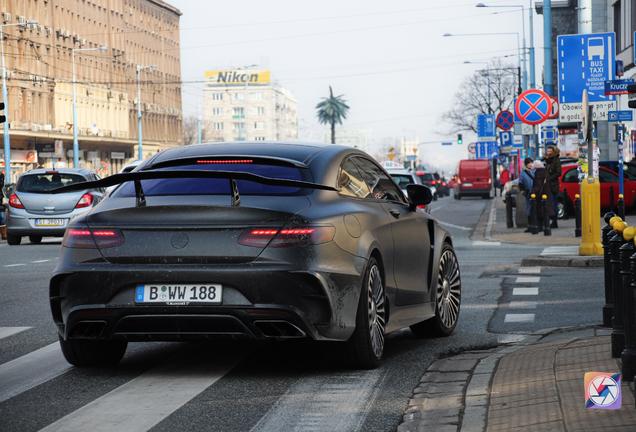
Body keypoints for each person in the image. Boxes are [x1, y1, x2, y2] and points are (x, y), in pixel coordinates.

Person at [530, 160, 554, 234]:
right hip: (546, 193)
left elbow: (538, 185)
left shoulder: (538, 173)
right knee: (545, 210)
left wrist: (533, 193)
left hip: (540, 195)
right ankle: (546, 227)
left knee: (540, 211)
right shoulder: (545, 172)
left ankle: (541, 227)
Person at [543, 145, 562, 228]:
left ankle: (555, 221)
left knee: (554, 204)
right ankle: (551, 220)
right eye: (548, 151)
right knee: (549, 204)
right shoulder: (547, 161)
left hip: (553, 186)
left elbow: (559, 172)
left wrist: (549, 178)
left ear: (553, 152)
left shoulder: (556, 160)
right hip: (547, 186)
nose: (548, 153)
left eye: (550, 151)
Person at [519, 158, 535, 232]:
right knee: (529, 209)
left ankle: (535, 225)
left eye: (531, 163)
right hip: (528, 193)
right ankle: (530, 226)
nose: (530, 164)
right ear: (526, 164)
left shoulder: (534, 171)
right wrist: (524, 192)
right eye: (529, 163)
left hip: (536, 193)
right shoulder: (523, 173)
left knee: (535, 209)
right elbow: (520, 183)